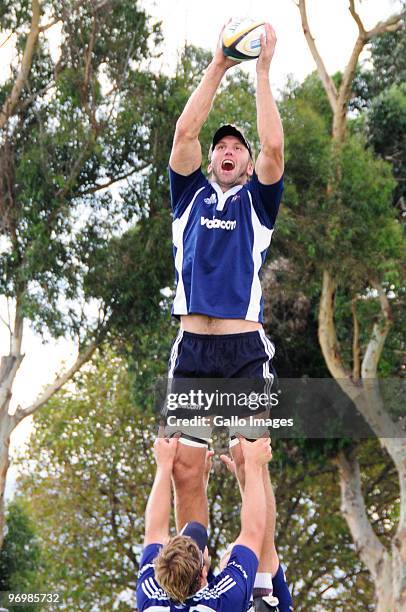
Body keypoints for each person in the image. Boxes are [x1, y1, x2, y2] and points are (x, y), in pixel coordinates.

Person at [163, 21, 284, 533]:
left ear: (248, 163)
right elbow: (184, 133)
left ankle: (261, 586)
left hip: (242, 354)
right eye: (221, 147)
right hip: (192, 352)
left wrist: (261, 71)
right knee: (185, 469)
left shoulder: (257, 203)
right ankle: (194, 581)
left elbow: (275, 148)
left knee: (249, 462)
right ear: (212, 158)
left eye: (237, 147)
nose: (227, 150)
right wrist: (218, 63)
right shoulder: (188, 197)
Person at [136, 436, 273, 611]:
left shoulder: (153, 600)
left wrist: (165, 466)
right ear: (203, 574)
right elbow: (253, 531)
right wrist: (253, 465)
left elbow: (154, 531)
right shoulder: (226, 600)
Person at [220, 442, 293, 611]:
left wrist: (245, 478)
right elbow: (261, 537)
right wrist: (253, 472)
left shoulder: (223, 597)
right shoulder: (266, 576)